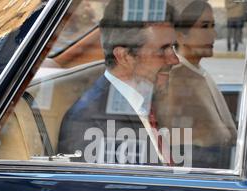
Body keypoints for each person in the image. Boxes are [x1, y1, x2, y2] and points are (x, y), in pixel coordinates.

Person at [58, 0, 180, 166]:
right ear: (124, 56)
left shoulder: (148, 101)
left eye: (174, 47)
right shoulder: (91, 123)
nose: (175, 59)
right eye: (162, 50)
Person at [157, 0, 237, 169]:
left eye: (213, 26)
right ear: (180, 36)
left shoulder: (196, 71)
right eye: (204, 26)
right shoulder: (177, 80)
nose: (214, 34)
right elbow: (175, 143)